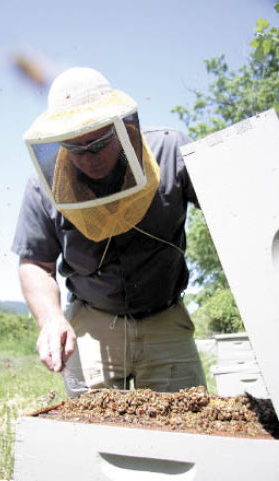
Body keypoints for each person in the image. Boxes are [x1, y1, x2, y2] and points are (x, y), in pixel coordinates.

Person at [12, 67, 207, 395]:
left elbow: (232, 211)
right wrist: (51, 318)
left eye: (99, 142)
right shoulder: (42, 187)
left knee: (187, 432)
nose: (89, 157)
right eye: (75, 148)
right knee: (92, 436)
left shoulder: (171, 152)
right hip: (92, 324)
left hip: (166, 319)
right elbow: (35, 264)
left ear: (122, 127)